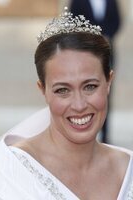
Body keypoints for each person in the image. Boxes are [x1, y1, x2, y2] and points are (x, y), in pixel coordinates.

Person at [0, 7, 133, 200]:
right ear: (42, 90)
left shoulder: (128, 169)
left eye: (90, 86)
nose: (79, 105)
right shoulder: (8, 173)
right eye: (62, 90)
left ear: (109, 83)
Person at [69, 0, 122, 143]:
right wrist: (92, 38)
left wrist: (106, 36)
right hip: (84, 52)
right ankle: (84, 133)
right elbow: (72, 20)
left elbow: (117, 21)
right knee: (85, 92)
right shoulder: (77, 1)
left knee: (105, 93)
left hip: (107, 52)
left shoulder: (111, 1)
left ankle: (105, 136)